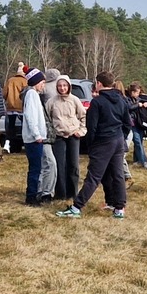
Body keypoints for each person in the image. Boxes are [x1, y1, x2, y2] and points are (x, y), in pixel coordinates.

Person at [58, 70, 131, 217]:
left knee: (93, 176)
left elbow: (92, 127)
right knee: (117, 175)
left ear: (99, 83)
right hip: (117, 141)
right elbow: (127, 123)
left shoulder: (97, 102)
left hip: (103, 142)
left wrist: (91, 146)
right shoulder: (122, 100)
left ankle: (77, 207)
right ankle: (119, 208)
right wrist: (120, 136)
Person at [48, 75, 84, 202]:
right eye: (60, 86)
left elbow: (83, 116)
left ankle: (73, 192)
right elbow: (47, 119)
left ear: (69, 86)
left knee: (73, 165)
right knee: (59, 164)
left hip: (73, 136)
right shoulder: (52, 102)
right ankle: (60, 193)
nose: (62, 88)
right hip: (59, 137)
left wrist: (81, 131)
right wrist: (51, 133)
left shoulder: (75, 100)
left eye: (64, 85)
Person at [21, 69, 55, 204]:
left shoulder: (33, 94)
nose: (43, 85)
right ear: (36, 82)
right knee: (35, 169)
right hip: (34, 139)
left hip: (35, 137)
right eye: (42, 82)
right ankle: (31, 197)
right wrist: (37, 135)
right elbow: (31, 117)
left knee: (37, 167)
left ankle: (34, 194)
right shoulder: (31, 95)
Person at [3, 65, 30, 156]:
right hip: (21, 107)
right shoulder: (25, 81)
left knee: (11, 127)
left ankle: (9, 145)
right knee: (24, 127)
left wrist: (8, 100)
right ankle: (25, 145)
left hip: (11, 107)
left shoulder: (10, 80)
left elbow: (4, 93)